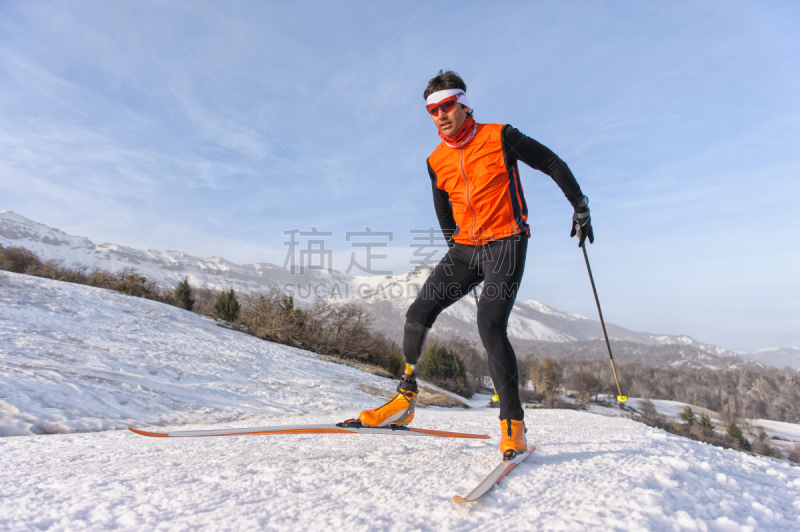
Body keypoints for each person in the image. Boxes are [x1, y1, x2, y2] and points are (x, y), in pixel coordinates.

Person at [357, 70, 593, 458]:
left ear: (464, 105)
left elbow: (551, 162)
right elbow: (442, 208)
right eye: (433, 110)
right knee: (418, 311)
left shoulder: (501, 136)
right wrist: (459, 251)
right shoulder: (436, 160)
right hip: (466, 249)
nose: (440, 115)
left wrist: (580, 206)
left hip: (506, 242)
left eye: (447, 106)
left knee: (490, 323)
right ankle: (405, 397)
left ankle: (512, 423)